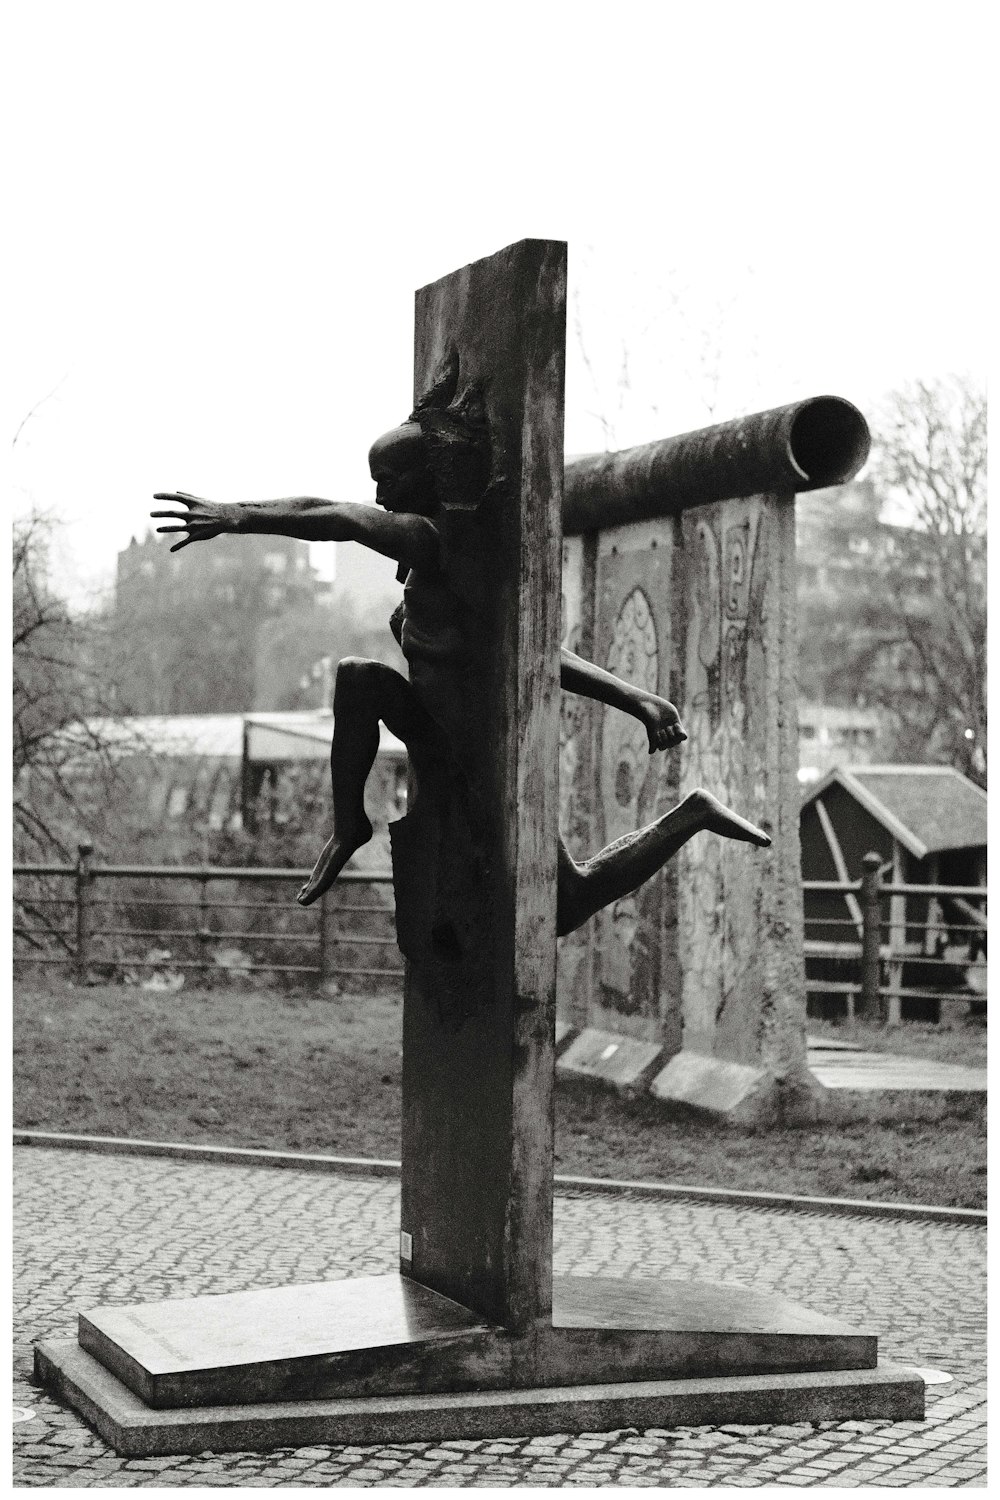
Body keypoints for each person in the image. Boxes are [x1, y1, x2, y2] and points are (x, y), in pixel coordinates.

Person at [152, 406, 768, 938]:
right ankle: (350, 828)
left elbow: (336, 517)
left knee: (565, 900)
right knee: (358, 676)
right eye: (375, 481)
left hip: (483, 751)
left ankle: (692, 814)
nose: (380, 496)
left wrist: (239, 515)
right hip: (435, 736)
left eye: (390, 481)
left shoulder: (432, 540)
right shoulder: (425, 568)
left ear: (427, 480)